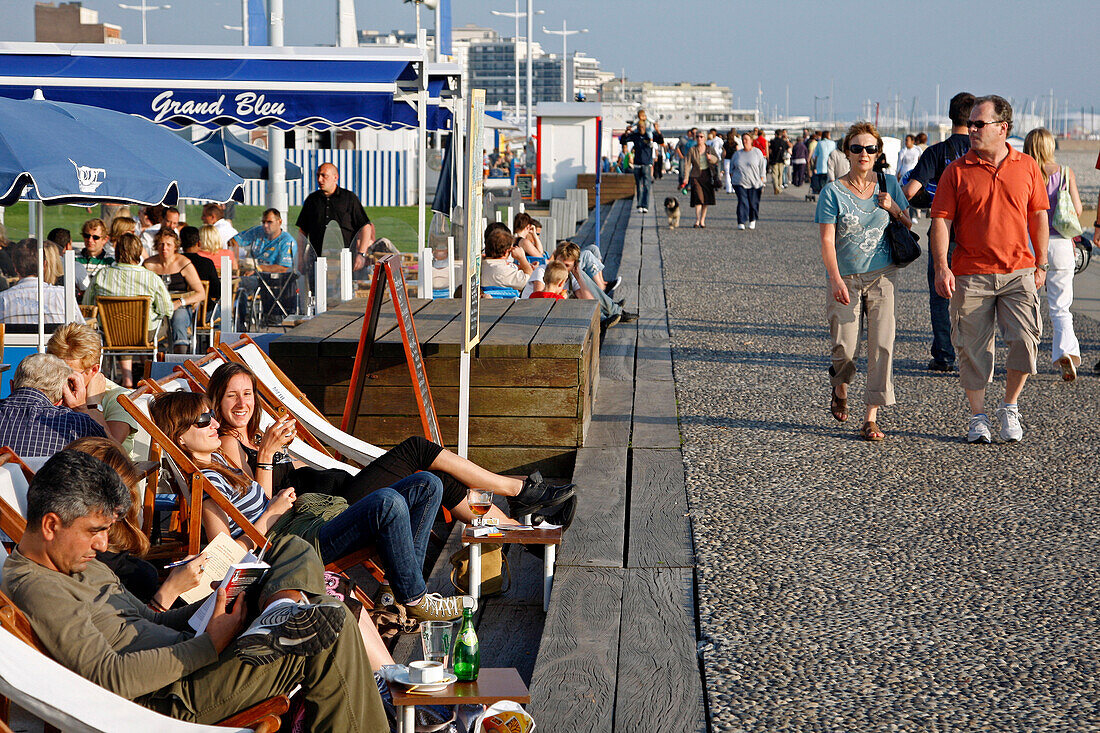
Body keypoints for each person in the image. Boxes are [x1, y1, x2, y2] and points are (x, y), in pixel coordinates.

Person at [2, 449, 387, 730]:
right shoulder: (37, 587)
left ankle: (277, 610)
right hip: (169, 699)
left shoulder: (76, 562)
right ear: (51, 525)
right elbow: (109, 676)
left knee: (291, 548)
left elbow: (149, 620)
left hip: (189, 653)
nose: (103, 544)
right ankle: (283, 616)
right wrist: (210, 644)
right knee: (327, 623)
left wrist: (217, 604)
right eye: (94, 531)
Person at [149, 390, 469, 624]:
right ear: (180, 438)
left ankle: (408, 593)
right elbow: (227, 556)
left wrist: (274, 485)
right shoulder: (205, 487)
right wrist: (271, 513)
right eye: (204, 420)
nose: (214, 423)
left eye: (211, 415)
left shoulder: (220, 463)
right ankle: (414, 598)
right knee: (389, 503)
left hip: (303, 519)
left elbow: (257, 501)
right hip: (293, 545)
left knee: (428, 484)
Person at [207, 362, 576, 528]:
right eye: (231, 397)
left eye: (247, 394)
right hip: (334, 512)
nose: (242, 404)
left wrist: (286, 450)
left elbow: (300, 474)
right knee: (417, 448)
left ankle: (520, 532)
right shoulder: (226, 442)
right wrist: (269, 455)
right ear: (216, 402)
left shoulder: (254, 436)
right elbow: (256, 504)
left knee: (442, 482)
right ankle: (518, 488)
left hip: (342, 488)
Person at [930, 95, 1049, 444]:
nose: (972, 130)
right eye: (970, 124)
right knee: (971, 349)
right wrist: (941, 267)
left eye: (980, 124)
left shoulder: (1027, 166)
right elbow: (941, 221)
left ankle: (1009, 407)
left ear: (1003, 128)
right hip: (970, 273)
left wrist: (1041, 263)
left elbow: (1039, 214)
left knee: (1026, 341)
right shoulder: (957, 170)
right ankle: (978, 416)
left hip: (1019, 271)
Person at [816, 122, 911, 442]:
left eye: (870, 148)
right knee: (844, 347)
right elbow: (827, 241)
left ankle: (871, 416)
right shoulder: (832, 192)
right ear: (847, 152)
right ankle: (840, 386)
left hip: (883, 277)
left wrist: (893, 206)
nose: (864, 154)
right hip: (846, 278)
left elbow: (909, 221)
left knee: (882, 345)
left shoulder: (888, 183)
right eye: (856, 148)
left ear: (879, 152)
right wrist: (834, 279)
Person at [903, 92, 975, 373]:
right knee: (975, 295)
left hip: (942, 230)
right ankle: (973, 353)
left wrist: (932, 201)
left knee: (940, 294)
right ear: (974, 118)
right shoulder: (980, 152)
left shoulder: (936, 152)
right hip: (975, 232)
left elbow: (910, 191)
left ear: (950, 116)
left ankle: (944, 355)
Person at [1023, 127, 1082, 381]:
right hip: (1061, 244)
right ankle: (1065, 351)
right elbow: (1077, 210)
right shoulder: (1066, 173)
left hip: (1031, 243)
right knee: (1061, 307)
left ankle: (1027, 357)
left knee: (1027, 304)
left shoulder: (1025, 172)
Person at [82, 233, 172, 387]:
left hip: (112, 333)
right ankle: (148, 372)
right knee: (154, 323)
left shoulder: (102, 275)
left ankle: (127, 378)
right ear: (138, 252)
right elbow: (167, 309)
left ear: (117, 252)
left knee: (121, 326)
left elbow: (87, 305)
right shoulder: (150, 277)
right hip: (145, 333)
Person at [47, 323, 141, 456]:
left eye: (68, 374)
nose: (60, 380)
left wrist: (91, 406)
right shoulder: (48, 387)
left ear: (93, 370)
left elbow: (112, 452)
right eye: (55, 370)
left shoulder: (118, 398)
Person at [0, 353, 107, 456]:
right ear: (61, 400)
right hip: (48, 474)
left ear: (12, 387)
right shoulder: (79, 424)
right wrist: (83, 407)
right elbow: (115, 456)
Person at [296, 163, 375, 276]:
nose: (320, 179)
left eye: (324, 176)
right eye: (318, 175)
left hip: (344, 261)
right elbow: (302, 232)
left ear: (335, 177)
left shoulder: (349, 198)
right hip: (318, 261)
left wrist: (361, 254)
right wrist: (300, 259)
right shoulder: (312, 200)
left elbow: (366, 228)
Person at [143, 228, 206, 354]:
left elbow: (201, 293)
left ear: (175, 246)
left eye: (168, 245)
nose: (164, 248)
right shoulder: (149, 264)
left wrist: (181, 302)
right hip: (156, 306)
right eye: (161, 244)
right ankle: (149, 357)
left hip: (179, 305)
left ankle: (180, 356)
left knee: (179, 318)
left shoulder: (183, 263)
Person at [0, 239, 70, 325]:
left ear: (15, 267)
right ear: (44, 265)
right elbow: (81, 329)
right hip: (55, 338)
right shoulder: (64, 296)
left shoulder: (2, 299)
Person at [619, 109, 664, 213]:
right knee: (639, 186)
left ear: (646, 127)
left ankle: (645, 205)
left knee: (647, 186)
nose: (641, 129)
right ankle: (639, 205)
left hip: (647, 164)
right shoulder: (635, 136)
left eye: (643, 127)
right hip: (637, 164)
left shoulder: (650, 135)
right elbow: (623, 141)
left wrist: (658, 131)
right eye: (639, 127)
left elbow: (661, 140)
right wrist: (626, 132)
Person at [179, 225, 219, 320]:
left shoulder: (176, 263)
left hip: (180, 309)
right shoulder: (207, 263)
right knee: (224, 312)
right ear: (199, 243)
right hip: (203, 313)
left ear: (180, 243)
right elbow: (216, 291)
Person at [731, 132, 767, 230]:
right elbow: (732, 167)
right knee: (742, 201)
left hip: (755, 182)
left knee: (753, 202)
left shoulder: (757, 152)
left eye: (746, 139)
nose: (744, 141)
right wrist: (732, 178)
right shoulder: (737, 154)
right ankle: (741, 221)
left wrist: (762, 179)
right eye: (743, 139)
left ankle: (752, 219)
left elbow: (762, 167)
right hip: (740, 182)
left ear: (751, 140)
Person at [684, 130, 718, 228]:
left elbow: (717, 160)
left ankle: (702, 220)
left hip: (707, 175)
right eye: (698, 136)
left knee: (706, 199)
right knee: (698, 198)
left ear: (705, 138)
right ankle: (697, 220)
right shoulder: (692, 150)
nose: (699, 138)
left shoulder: (709, 149)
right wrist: (686, 178)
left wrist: (710, 157)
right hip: (695, 175)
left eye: (701, 137)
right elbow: (687, 164)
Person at [809, 130, 836, 198]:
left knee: (821, 181)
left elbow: (816, 155)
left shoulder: (820, 143)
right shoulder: (833, 143)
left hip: (821, 166)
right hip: (831, 165)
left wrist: (814, 166)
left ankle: (822, 193)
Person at [768, 129, 790, 195]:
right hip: (781, 160)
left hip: (774, 160)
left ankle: (776, 187)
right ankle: (779, 187)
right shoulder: (783, 142)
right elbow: (788, 149)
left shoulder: (772, 141)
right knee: (780, 174)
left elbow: (770, 151)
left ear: (776, 134)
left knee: (775, 174)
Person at [722, 130, 739, 195]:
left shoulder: (725, 143)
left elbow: (724, 153)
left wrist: (723, 159)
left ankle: (728, 189)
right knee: (734, 174)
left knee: (727, 174)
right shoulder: (735, 143)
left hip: (727, 159)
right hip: (734, 159)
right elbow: (738, 152)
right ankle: (734, 189)